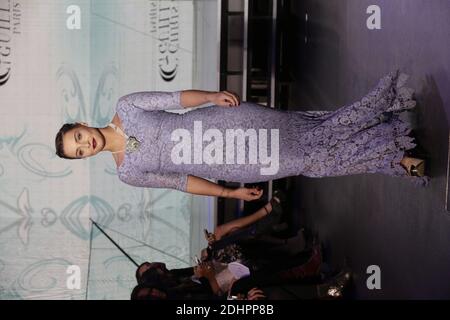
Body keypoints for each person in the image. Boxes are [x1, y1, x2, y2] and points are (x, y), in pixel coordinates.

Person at [55, 69, 429, 201]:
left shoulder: (128, 106)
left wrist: (211, 96)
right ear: (84, 159)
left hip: (228, 124)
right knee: (311, 162)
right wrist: (228, 191)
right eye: (79, 152)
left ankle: (394, 150)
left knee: (310, 136)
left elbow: (175, 98)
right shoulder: (128, 174)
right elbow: (182, 182)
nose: (85, 145)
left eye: (78, 137)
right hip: (234, 162)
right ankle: (388, 149)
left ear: (83, 124)